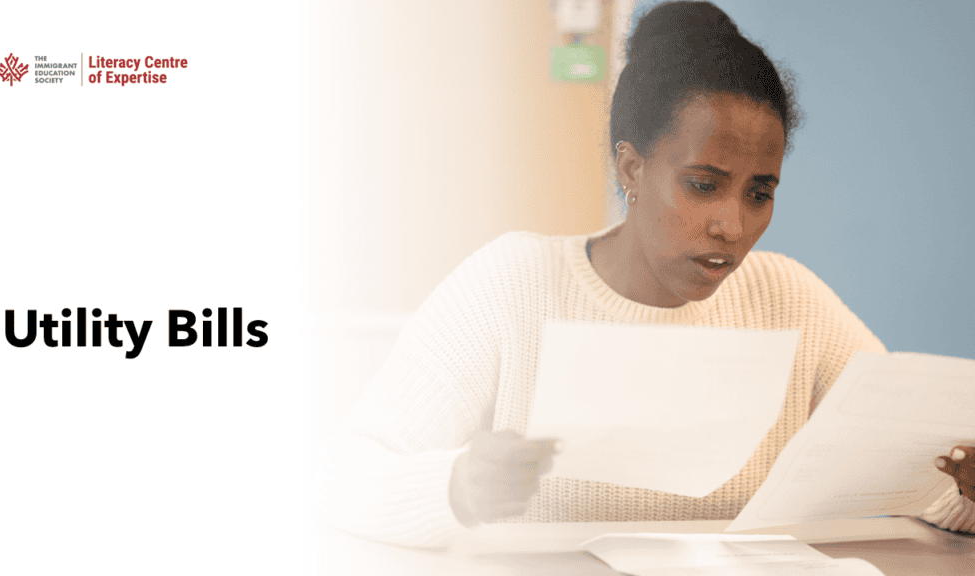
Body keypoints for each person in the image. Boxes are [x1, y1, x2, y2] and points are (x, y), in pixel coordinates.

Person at [316, 0, 975, 547]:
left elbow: (928, 482)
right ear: (632, 168)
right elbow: (340, 480)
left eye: (759, 192)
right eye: (703, 185)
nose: (732, 226)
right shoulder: (512, 285)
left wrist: (967, 490)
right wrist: (457, 486)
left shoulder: (791, 300)